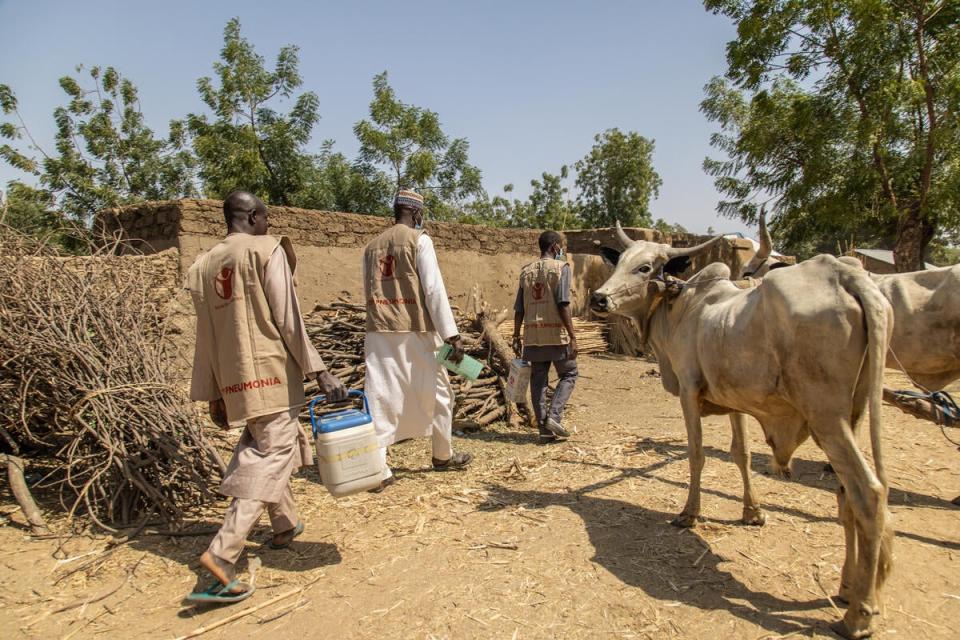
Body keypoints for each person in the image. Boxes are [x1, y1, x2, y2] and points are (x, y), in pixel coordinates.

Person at [184, 191, 347, 604]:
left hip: (235, 380)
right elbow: (288, 317)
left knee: (268, 442)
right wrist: (319, 370)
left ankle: (284, 524)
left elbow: (206, 338)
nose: (268, 225)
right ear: (254, 216)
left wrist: (214, 394)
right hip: (270, 372)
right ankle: (222, 557)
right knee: (273, 451)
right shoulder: (265, 250)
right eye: (266, 217)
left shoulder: (204, 264)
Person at [363, 189, 473, 492]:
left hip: (379, 330)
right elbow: (434, 291)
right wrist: (452, 334)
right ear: (417, 213)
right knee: (440, 391)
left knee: (381, 397)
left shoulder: (371, 247)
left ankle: (381, 469)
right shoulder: (420, 240)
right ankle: (441, 456)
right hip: (416, 329)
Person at [512, 231, 579, 442]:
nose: (562, 250)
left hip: (532, 336)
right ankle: (554, 416)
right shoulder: (562, 268)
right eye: (561, 246)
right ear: (554, 247)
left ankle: (543, 430)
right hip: (555, 334)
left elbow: (519, 309)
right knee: (569, 374)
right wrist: (572, 335)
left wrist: (516, 335)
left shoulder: (526, 271)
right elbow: (563, 303)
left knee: (538, 380)